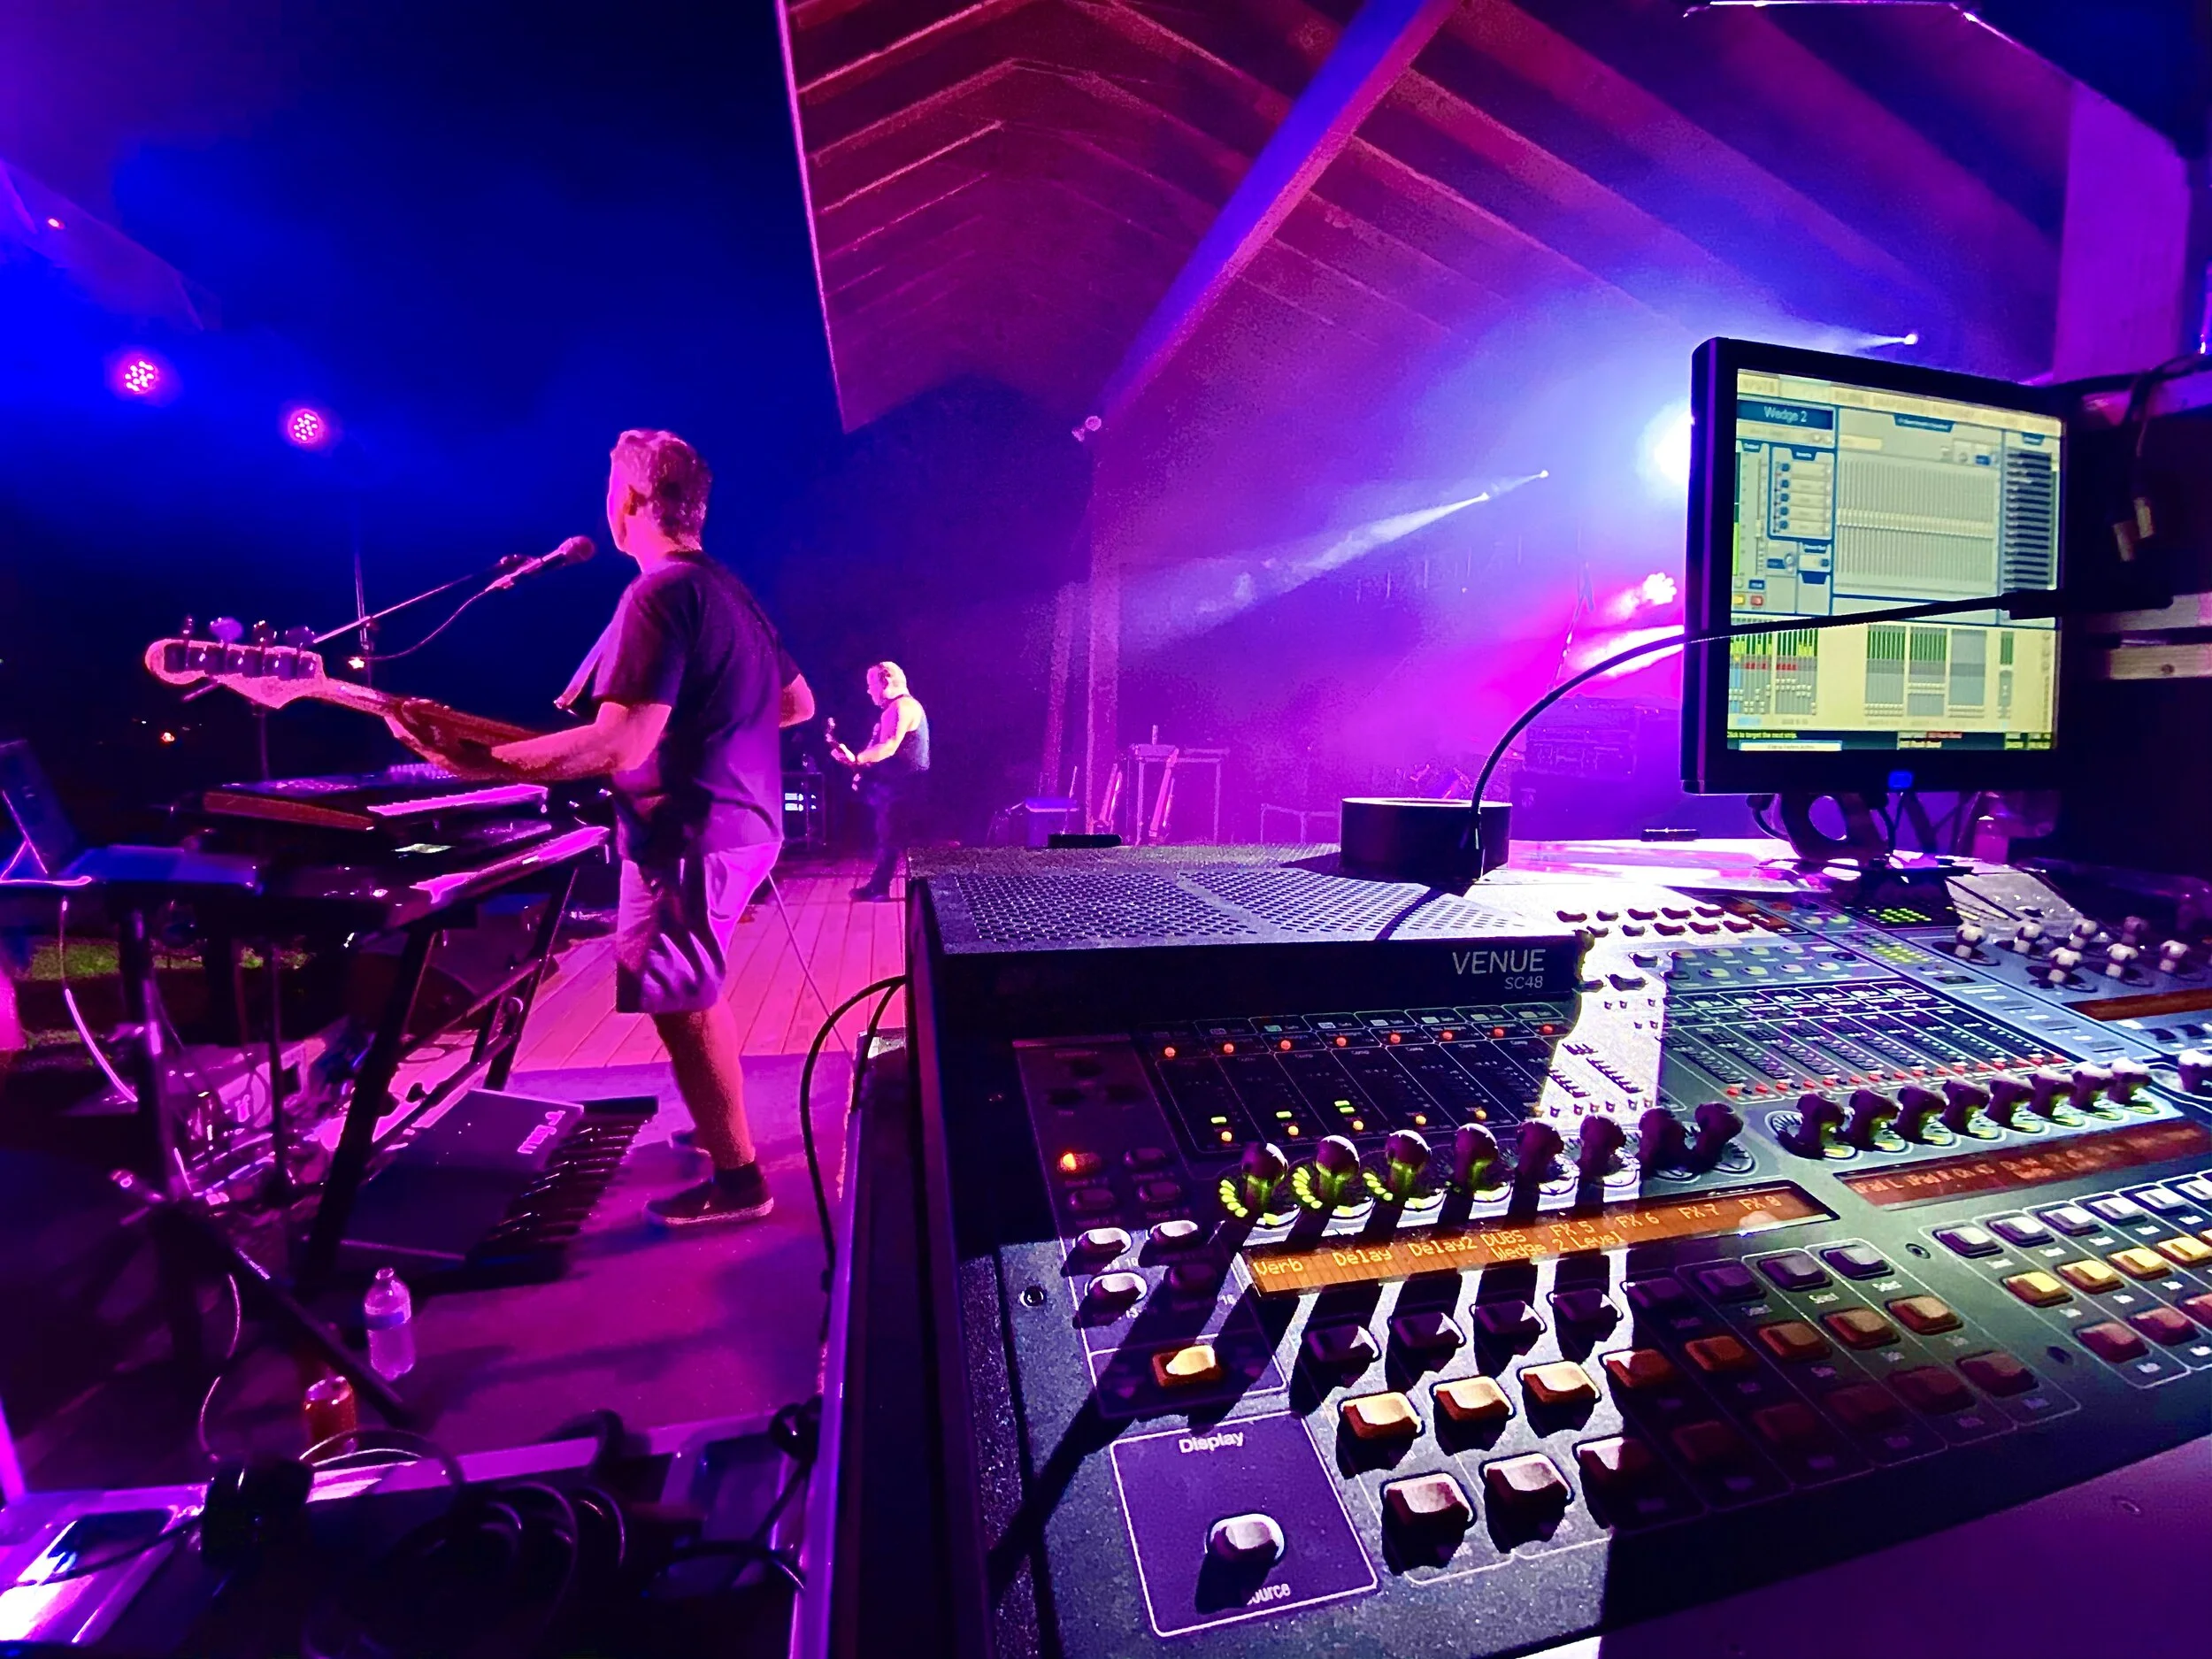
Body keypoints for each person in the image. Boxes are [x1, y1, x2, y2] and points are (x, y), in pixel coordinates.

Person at [388, 429, 814, 1230]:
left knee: (682, 997)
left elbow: (620, 743)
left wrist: (488, 764)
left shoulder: (657, 594)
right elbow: (796, 704)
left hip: (689, 833)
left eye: (610, 489)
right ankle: (720, 1132)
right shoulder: (727, 589)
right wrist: (708, 731)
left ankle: (739, 1178)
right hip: (744, 826)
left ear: (629, 502)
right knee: (694, 986)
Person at [829, 662, 929, 901]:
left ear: (885, 682)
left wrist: (858, 759)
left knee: (891, 837)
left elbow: (889, 747)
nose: (868, 690)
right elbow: (880, 750)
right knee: (890, 836)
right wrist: (856, 763)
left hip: (904, 787)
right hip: (900, 786)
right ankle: (881, 887)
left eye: (871, 684)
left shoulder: (902, 707)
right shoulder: (896, 709)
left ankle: (881, 889)